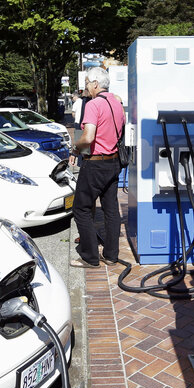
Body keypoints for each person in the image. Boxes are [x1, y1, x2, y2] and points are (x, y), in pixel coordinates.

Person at [69, 67, 124, 268]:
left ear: (95, 84)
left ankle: (89, 256)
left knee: (81, 209)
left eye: (86, 84)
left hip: (95, 163)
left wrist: (75, 149)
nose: (85, 88)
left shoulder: (93, 105)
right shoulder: (117, 104)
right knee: (111, 210)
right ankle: (111, 255)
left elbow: (89, 137)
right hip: (114, 161)